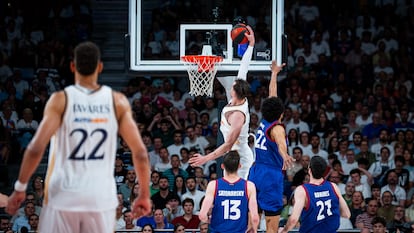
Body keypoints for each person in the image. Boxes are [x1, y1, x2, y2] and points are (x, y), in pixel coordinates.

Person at [5, 41, 151, 233]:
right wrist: (144, 194)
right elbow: (140, 153)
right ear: (100, 67)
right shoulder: (117, 101)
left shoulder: (60, 99)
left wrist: (21, 186)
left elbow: (34, 149)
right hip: (99, 196)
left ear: (72, 66)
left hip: (63, 193)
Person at [189, 25, 256, 179]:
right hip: (232, 154)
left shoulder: (238, 117)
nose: (231, 85)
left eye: (232, 86)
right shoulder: (239, 94)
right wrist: (251, 45)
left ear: (235, 92)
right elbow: (243, 68)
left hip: (240, 157)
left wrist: (205, 159)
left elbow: (227, 145)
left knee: (239, 191)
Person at [248, 60, 294, 233]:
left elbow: (272, 95)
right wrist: (285, 155)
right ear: (281, 113)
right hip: (270, 176)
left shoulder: (265, 119)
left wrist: (274, 73)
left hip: (255, 172)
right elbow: (281, 142)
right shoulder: (277, 128)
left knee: (252, 223)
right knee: (272, 227)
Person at [279, 156, 351, 233]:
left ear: (309, 170)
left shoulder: (302, 190)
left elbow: (293, 219)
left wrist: (284, 230)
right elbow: (346, 214)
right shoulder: (333, 186)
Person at [199, 150, 259, 233]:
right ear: (239, 166)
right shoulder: (249, 186)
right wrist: (254, 229)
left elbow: (202, 215)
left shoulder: (214, 185)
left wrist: (208, 220)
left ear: (222, 166)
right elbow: (254, 217)